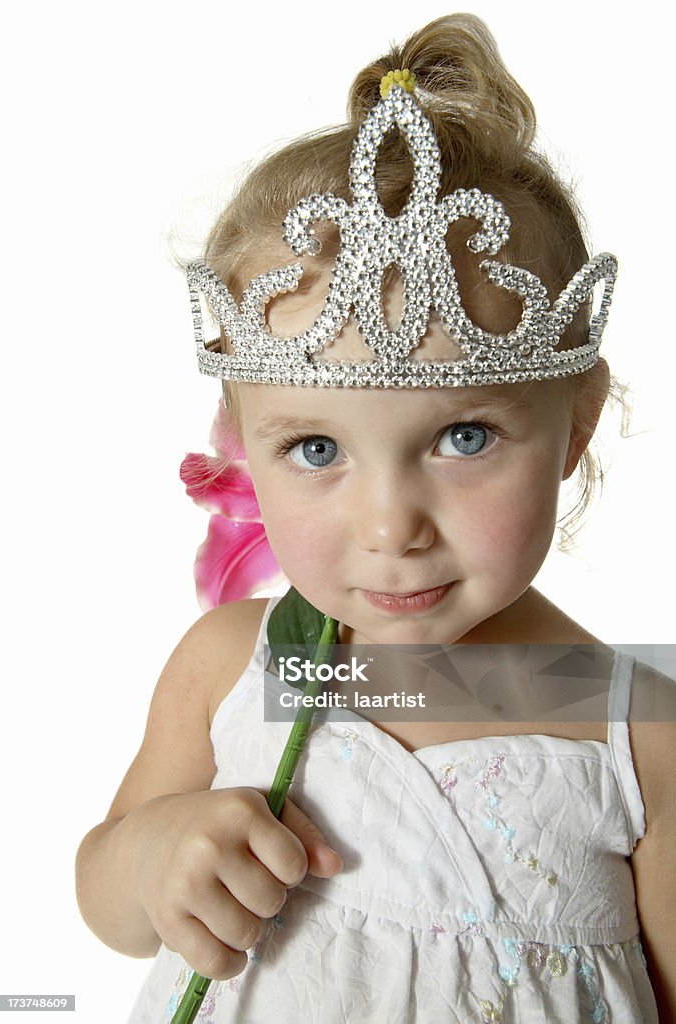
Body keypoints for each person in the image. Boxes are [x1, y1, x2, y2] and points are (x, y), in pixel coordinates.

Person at [75, 14, 676, 1023]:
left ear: (573, 423)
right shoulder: (231, 663)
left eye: (464, 439)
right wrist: (153, 858)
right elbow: (108, 897)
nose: (391, 524)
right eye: (316, 451)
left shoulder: (636, 733)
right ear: (243, 443)